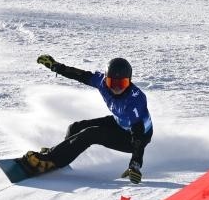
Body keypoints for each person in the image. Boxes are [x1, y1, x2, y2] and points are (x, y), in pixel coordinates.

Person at [25, 55, 153, 183]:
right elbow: (81, 75)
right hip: (120, 122)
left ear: (129, 81)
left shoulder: (135, 99)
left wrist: (135, 164)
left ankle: (52, 160)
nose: (116, 88)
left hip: (134, 138)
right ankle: (59, 154)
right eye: (112, 83)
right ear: (106, 80)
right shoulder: (102, 83)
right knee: (75, 127)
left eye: (122, 84)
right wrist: (57, 67)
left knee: (91, 134)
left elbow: (138, 134)